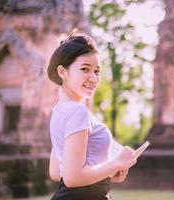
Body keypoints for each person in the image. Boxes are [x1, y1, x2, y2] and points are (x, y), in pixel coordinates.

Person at [47, 30, 137, 200]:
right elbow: (72, 177)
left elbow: (56, 172)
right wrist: (116, 163)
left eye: (97, 71)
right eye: (85, 69)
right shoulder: (78, 112)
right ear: (62, 72)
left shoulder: (58, 111)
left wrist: (108, 172)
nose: (93, 78)